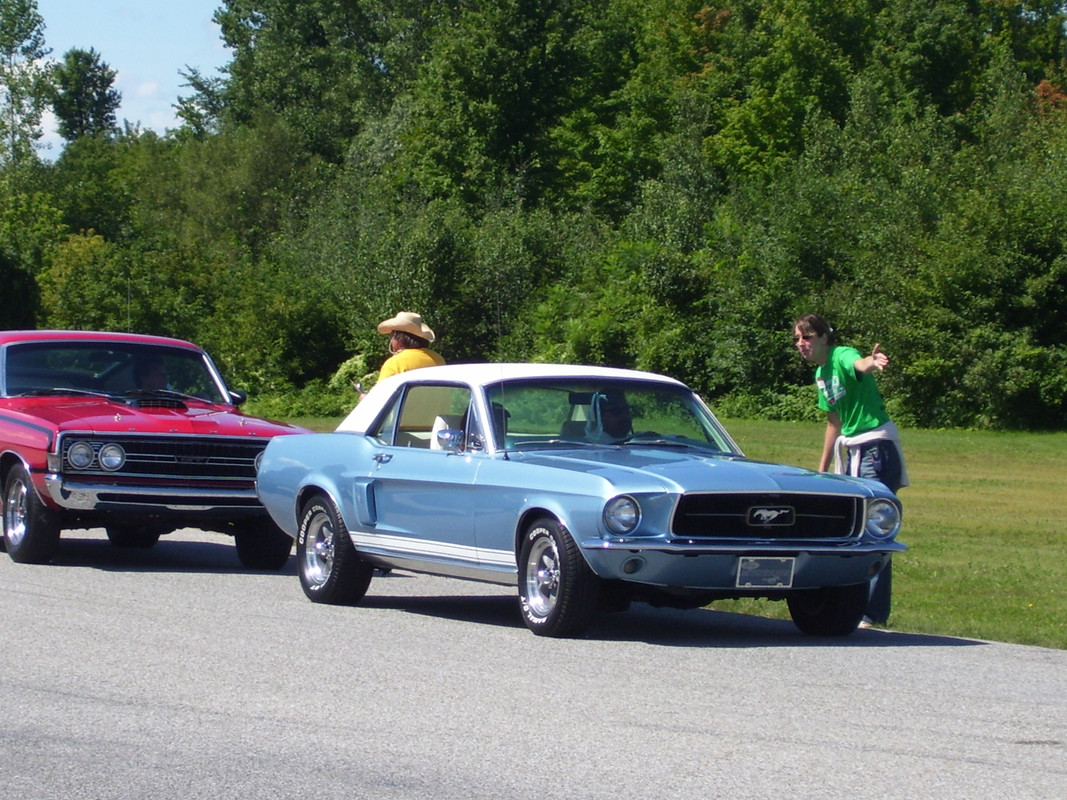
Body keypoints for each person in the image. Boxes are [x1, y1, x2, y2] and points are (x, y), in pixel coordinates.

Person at [793, 313, 908, 626]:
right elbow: (834, 421)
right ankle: (857, 608)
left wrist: (872, 362)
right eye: (797, 339)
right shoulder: (820, 373)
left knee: (872, 532)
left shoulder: (841, 355)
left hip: (876, 450)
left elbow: (860, 365)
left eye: (807, 338)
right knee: (851, 530)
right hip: (852, 451)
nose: (801, 344)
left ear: (825, 338)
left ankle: (871, 612)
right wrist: (821, 469)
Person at [375, 311, 445, 381]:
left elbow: (381, 391)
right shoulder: (439, 360)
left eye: (392, 336)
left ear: (398, 338)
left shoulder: (395, 363)